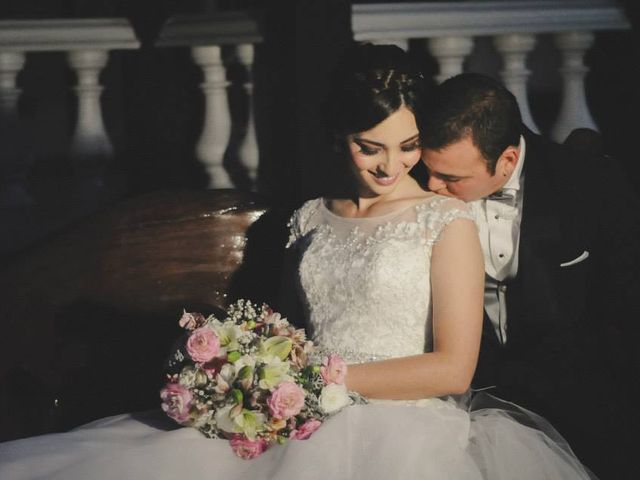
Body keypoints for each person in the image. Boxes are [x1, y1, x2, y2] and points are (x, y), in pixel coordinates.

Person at [0, 45, 595, 480]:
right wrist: (253, 371)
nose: (391, 167)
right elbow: (291, 331)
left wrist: (317, 381)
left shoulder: (445, 221)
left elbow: (453, 369)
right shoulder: (310, 217)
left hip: (405, 430)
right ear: (339, 136)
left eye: (409, 147)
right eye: (371, 147)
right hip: (297, 413)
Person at [420, 72, 640, 479]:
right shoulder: (414, 184)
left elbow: (624, 309)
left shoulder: (591, 185)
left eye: (451, 179)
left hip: (580, 405)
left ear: (506, 161)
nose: (431, 187)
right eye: (429, 170)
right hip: (460, 409)